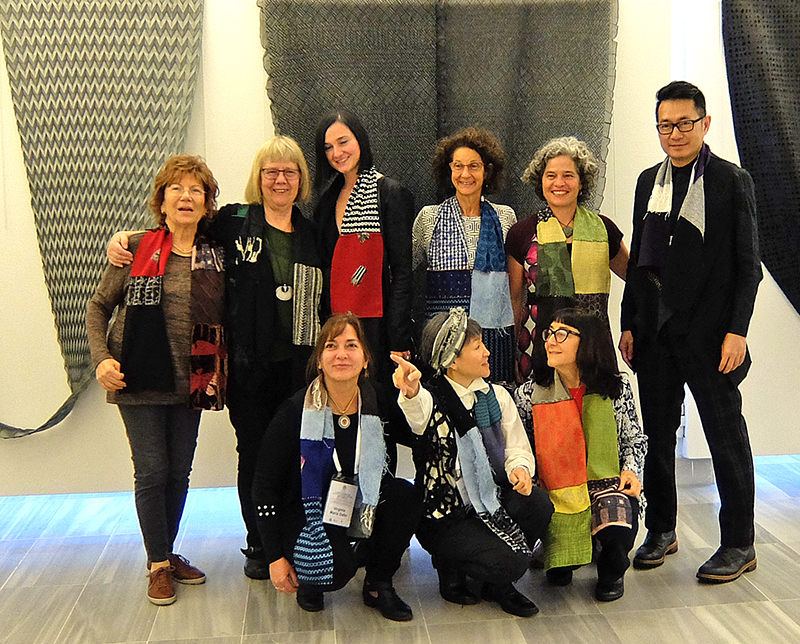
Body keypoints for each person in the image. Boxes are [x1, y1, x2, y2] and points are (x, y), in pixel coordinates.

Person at [106, 136, 324, 579]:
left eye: (289, 172)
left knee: (298, 454)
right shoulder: (234, 221)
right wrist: (124, 238)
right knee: (254, 454)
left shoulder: (313, 233)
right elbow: (177, 232)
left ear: (301, 180)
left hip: (300, 367)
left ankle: (296, 539)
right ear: (258, 179)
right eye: (271, 172)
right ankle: (259, 545)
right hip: (247, 368)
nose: (280, 179)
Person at [619, 81, 762, 583]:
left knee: (726, 438)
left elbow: (749, 267)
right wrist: (629, 323)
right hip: (655, 336)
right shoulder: (646, 183)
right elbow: (639, 263)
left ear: (705, 123)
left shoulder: (730, 181)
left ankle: (739, 542)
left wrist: (737, 332)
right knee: (656, 438)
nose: (674, 134)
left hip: (710, 336)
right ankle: (661, 529)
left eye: (684, 123)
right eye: (665, 125)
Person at [86, 155, 226, 605]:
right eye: (176, 189)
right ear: (161, 200)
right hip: (138, 379)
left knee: (180, 473)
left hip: (194, 380)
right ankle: (158, 565)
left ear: (207, 203)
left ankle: (165, 551)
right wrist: (101, 359)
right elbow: (97, 307)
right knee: (152, 471)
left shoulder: (217, 253)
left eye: (196, 190)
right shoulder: (136, 247)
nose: (186, 197)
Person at [252, 313, 422, 621]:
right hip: (309, 512)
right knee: (335, 570)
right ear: (319, 360)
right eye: (331, 346)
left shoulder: (379, 399)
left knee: (404, 496)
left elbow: (417, 437)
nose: (341, 354)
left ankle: (378, 581)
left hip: (363, 503)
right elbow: (263, 486)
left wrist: (412, 396)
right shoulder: (294, 410)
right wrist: (275, 557)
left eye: (351, 345)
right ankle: (310, 579)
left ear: (365, 358)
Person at [392, 308, 553, 617]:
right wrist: (410, 390)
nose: (487, 351)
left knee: (538, 503)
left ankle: (498, 584)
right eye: (477, 346)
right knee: (515, 559)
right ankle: (451, 565)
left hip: (491, 501)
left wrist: (519, 470)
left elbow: (518, 449)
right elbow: (417, 408)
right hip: (446, 515)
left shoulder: (497, 397)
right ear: (452, 360)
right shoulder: (432, 399)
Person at [515, 309, 646, 602]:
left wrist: (631, 471)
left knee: (617, 527)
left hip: (605, 484)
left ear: (586, 342)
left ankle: (611, 569)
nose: (551, 341)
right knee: (558, 576)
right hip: (556, 489)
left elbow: (634, 439)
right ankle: (567, 550)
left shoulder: (615, 388)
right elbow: (522, 449)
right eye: (548, 333)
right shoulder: (529, 394)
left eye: (562, 335)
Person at [506, 136, 629, 383]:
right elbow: (515, 299)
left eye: (568, 175)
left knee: (596, 416)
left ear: (582, 182)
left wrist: (630, 327)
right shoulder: (522, 233)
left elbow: (636, 280)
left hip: (593, 348)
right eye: (550, 175)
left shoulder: (604, 229)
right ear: (540, 181)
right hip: (539, 348)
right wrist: (513, 352)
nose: (559, 183)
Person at [314, 110, 415, 382]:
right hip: (336, 332)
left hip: (378, 330)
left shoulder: (390, 194)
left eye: (343, 141)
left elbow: (402, 273)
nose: (337, 152)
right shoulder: (326, 202)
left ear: (360, 140)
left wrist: (398, 337)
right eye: (328, 147)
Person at [413, 127, 517, 383]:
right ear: (448, 170)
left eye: (473, 166)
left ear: (487, 171)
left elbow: (515, 290)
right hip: (442, 340)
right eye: (458, 166)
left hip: (493, 344)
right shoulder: (429, 218)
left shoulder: (505, 218)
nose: (465, 174)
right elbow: (402, 271)